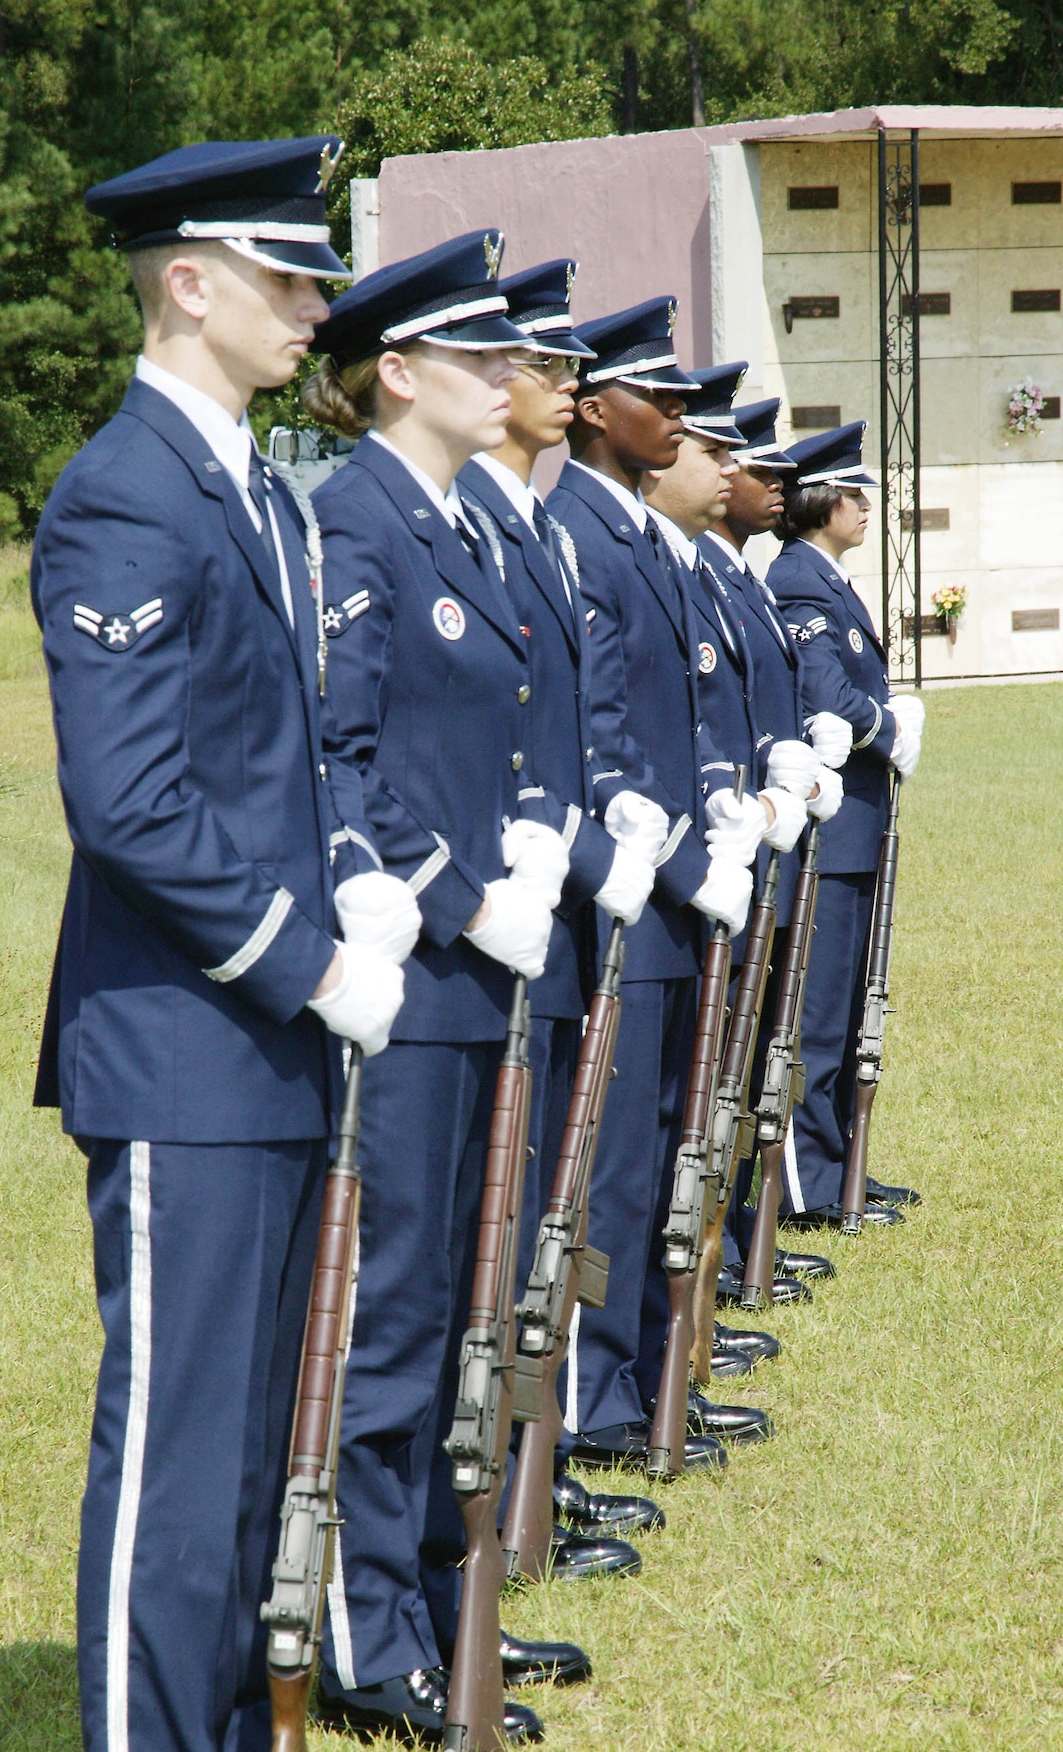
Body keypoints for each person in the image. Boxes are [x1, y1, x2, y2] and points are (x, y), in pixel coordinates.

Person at [32, 137, 441, 1752]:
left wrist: (354, 892)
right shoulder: (124, 496)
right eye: (285, 279)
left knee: (262, 1443)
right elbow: (127, 803)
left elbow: (302, 757)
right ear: (186, 282)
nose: (313, 309)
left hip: (270, 1038)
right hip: (184, 1048)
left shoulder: (259, 494)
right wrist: (297, 960)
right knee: (180, 1457)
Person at [303, 232, 592, 1749]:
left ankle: (431, 1594)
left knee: (457, 1302)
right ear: (396, 372)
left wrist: (533, 848)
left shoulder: (467, 522)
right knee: (397, 1312)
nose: (508, 380)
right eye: (478, 358)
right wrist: (458, 893)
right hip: (411, 975)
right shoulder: (356, 522)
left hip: (483, 972)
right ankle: (364, 1642)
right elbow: (340, 759)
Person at [455, 260, 665, 1564]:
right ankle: (516, 1474)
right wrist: (572, 854)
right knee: (511, 1227)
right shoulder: (495, 523)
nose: (559, 381)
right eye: (540, 363)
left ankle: (534, 1466)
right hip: (510, 916)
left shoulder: (528, 524)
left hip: (562, 906)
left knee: (549, 1215)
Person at [547, 299, 756, 1475]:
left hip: (678, 887)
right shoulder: (581, 527)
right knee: (615, 1160)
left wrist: (728, 811)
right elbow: (602, 740)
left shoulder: (626, 530)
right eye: (655, 396)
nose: (676, 416)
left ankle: (644, 1372)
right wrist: (677, 861)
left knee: (668, 1139)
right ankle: (595, 1399)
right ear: (592, 409)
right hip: (632, 892)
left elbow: (681, 721)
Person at [699, 394, 844, 1296]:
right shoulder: (717, 574)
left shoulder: (743, 575)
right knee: (719, 1065)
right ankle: (718, 1244)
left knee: (751, 1055)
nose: (775, 484)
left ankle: (737, 1226)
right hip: (723, 841)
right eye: (759, 468)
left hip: (769, 825)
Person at [767, 421, 925, 1227]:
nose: (865, 507)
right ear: (819, 500)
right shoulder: (798, 580)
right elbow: (824, 694)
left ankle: (840, 1172)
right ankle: (810, 1187)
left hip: (857, 829)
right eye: (853, 493)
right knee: (818, 1018)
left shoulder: (824, 578)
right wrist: (886, 725)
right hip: (829, 834)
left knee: (847, 1004)